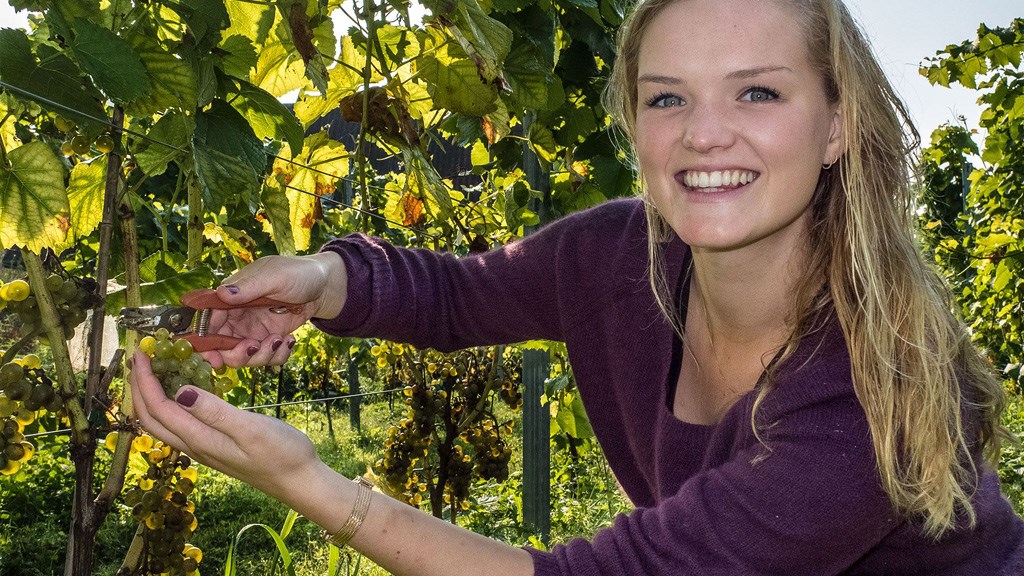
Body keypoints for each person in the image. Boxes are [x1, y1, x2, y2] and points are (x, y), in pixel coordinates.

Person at [130, 0, 1024, 573]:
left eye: (756, 93)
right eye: (666, 98)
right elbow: (454, 292)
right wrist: (318, 280)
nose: (703, 135)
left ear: (837, 126)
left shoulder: (868, 392)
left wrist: (311, 484)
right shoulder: (617, 256)